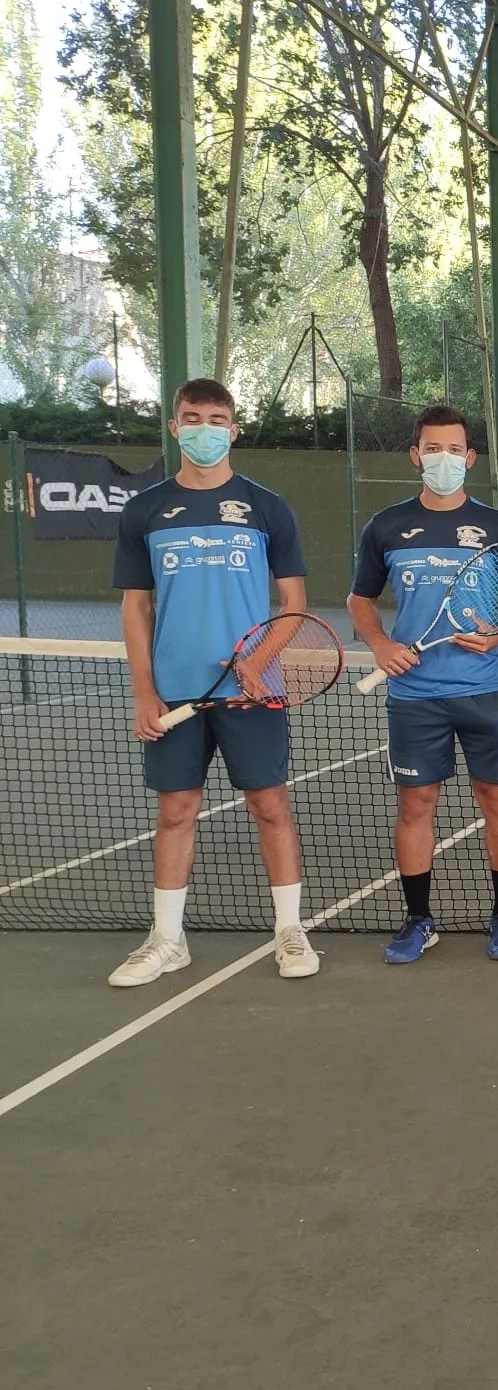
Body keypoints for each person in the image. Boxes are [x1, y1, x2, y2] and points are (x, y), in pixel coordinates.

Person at [108, 377, 319, 985]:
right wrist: (144, 692)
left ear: (233, 429)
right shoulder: (144, 510)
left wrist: (256, 665)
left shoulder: (267, 507)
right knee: (175, 812)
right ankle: (168, 939)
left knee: (270, 806)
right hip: (175, 692)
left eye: (216, 418)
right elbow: (136, 608)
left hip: (253, 693)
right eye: (192, 418)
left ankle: (290, 932)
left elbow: (294, 603)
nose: (205, 428)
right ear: (175, 427)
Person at [348, 403, 498, 964]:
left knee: (496, 798)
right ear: (415, 455)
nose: (442, 458)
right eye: (432, 448)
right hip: (414, 697)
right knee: (415, 804)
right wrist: (379, 645)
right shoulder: (387, 525)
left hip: (483, 691)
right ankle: (419, 919)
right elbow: (360, 599)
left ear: (469, 458)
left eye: (453, 450)